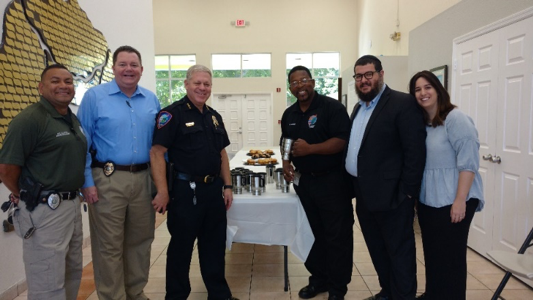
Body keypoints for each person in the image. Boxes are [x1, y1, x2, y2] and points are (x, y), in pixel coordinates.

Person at [77, 46, 161, 300]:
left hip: (144, 179)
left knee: (140, 241)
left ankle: (135, 292)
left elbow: (159, 147)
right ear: (113, 68)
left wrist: (161, 184)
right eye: (122, 64)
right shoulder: (95, 97)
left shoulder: (151, 99)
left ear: (141, 70)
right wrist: (87, 182)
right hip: (107, 179)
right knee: (108, 245)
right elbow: (82, 143)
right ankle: (113, 296)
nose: (128, 70)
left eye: (134, 65)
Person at [150, 64, 238, 300]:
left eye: (206, 84)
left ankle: (219, 294)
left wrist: (227, 186)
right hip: (185, 192)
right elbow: (157, 153)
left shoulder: (214, 117)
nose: (202, 88)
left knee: (214, 247)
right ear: (186, 84)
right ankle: (177, 296)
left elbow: (222, 155)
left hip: (213, 191)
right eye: (197, 83)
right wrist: (162, 191)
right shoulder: (172, 115)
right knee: (181, 249)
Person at [0, 64, 87, 300]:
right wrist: (24, 193)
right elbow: (6, 169)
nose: (63, 86)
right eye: (55, 81)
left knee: (71, 272)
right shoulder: (29, 119)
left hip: (70, 205)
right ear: (41, 87)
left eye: (68, 81)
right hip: (44, 210)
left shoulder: (71, 119)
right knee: (47, 279)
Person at [345, 55, 427, 300]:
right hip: (364, 193)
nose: (364, 80)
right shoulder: (359, 107)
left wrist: (408, 193)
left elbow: (415, 151)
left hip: (393, 197)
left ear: (381, 73)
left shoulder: (402, 103)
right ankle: (388, 292)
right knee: (377, 248)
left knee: (399, 252)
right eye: (359, 76)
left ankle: (403, 296)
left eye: (369, 74)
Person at [280, 65, 354, 300]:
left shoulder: (332, 108)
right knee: (312, 234)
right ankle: (318, 280)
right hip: (304, 184)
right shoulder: (290, 113)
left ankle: (337, 288)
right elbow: (286, 141)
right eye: (294, 82)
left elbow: (342, 141)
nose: (299, 86)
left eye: (303, 80)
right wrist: (285, 162)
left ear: (312, 81)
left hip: (332, 183)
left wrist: (311, 149)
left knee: (337, 237)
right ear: (290, 87)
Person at [409, 71, 484, 300]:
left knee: (451, 257)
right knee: (432, 254)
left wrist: (460, 201)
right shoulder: (424, 124)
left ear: (438, 89)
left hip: (455, 198)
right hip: (429, 199)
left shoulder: (456, 118)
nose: (423, 93)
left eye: (428, 87)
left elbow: (468, 163)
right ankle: (433, 294)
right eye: (418, 89)